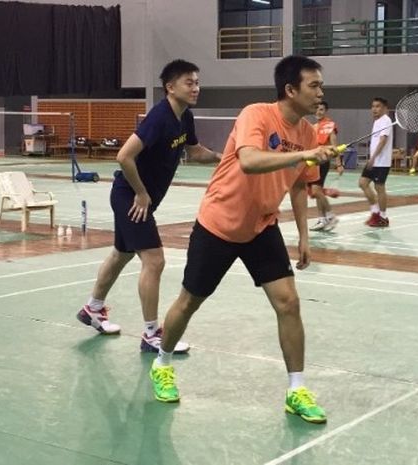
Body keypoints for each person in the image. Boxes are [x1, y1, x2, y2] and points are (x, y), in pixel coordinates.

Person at [149, 55, 335, 424]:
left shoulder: (308, 133)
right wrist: (305, 153)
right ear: (290, 89)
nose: (320, 93)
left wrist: (303, 235)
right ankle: (162, 363)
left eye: (320, 86)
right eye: (313, 86)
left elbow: (299, 185)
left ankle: (296, 389)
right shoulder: (257, 114)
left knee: (289, 303)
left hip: (262, 225)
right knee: (189, 302)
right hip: (220, 224)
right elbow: (249, 161)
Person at [76, 59, 221, 354]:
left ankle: (92, 309)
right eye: (188, 83)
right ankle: (152, 334)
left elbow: (193, 151)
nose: (195, 88)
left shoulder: (184, 118)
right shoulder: (159, 118)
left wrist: (224, 156)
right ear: (170, 87)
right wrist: (141, 194)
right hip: (130, 197)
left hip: (137, 200)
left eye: (196, 82)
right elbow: (124, 156)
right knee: (154, 261)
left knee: (121, 255)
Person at [309, 101, 342, 232]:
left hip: (323, 163)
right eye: (316, 108)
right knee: (317, 192)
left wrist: (339, 164)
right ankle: (322, 219)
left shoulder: (330, 126)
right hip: (314, 162)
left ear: (325, 111)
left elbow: (335, 147)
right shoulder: (313, 126)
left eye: (321, 109)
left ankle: (330, 216)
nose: (318, 111)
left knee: (316, 191)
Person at [359, 97, 393, 227]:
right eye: (373, 106)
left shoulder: (386, 121)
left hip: (381, 162)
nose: (374, 109)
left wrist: (373, 158)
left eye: (378, 106)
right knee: (363, 183)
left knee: (379, 188)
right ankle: (375, 212)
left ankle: (383, 217)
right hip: (374, 160)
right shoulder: (377, 121)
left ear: (385, 108)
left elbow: (383, 141)